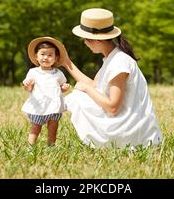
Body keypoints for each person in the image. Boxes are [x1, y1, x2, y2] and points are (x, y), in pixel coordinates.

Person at [63, 8, 162, 149]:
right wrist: (66, 63)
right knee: (79, 95)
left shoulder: (119, 63)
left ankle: (43, 123)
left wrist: (85, 88)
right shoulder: (112, 58)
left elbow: (113, 107)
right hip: (130, 129)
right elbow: (94, 85)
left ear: (97, 40)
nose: (84, 43)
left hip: (131, 135)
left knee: (77, 97)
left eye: (86, 39)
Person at [21, 36, 70, 146]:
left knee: (53, 128)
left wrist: (64, 88)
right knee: (35, 128)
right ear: (36, 57)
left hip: (54, 107)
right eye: (42, 54)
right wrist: (28, 85)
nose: (46, 57)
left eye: (50, 55)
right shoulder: (33, 72)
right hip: (39, 106)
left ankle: (51, 146)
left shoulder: (58, 73)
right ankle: (30, 147)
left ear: (56, 58)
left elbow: (61, 88)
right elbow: (28, 89)